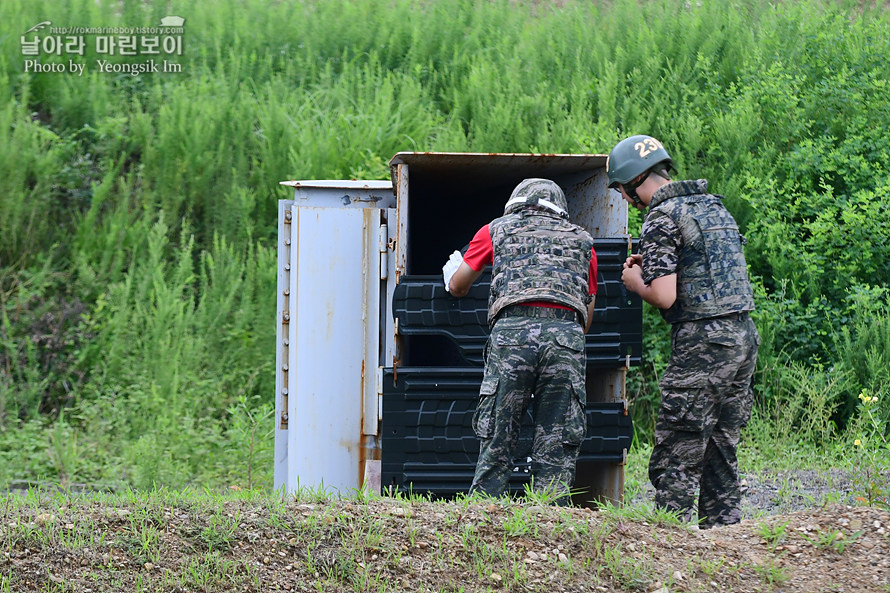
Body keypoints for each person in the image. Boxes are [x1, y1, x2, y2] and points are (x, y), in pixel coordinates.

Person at [607, 134, 759, 527]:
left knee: (678, 447)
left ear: (634, 180)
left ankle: (668, 548)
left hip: (703, 344)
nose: (625, 200)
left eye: (622, 191)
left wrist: (636, 282)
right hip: (742, 337)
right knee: (720, 448)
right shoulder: (713, 207)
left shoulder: (661, 216)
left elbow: (664, 295)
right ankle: (725, 543)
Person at [441, 178, 598, 503]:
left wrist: (453, 271)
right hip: (565, 338)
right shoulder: (583, 242)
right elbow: (587, 316)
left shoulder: (494, 230)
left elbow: (459, 286)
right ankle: (550, 522)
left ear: (515, 205)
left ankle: (484, 514)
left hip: (512, 336)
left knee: (498, 431)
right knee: (556, 438)